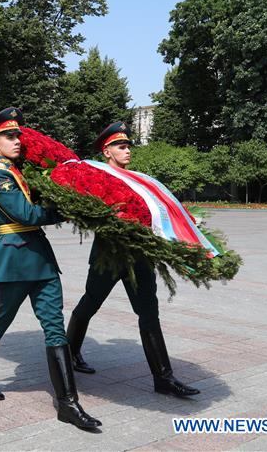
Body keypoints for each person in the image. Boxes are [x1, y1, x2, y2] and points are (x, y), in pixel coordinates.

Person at [0, 108, 100, 430]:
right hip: (15, 260)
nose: (16, 141)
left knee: (54, 326)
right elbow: (26, 215)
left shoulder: (18, 172)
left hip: (39, 258)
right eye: (8, 136)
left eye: (17, 136)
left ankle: (68, 404)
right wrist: (65, 211)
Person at [66, 122, 200, 398]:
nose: (127, 151)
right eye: (121, 146)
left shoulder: (140, 181)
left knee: (149, 312)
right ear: (107, 151)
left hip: (139, 256)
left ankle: (164, 378)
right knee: (90, 303)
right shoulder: (98, 176)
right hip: (109, 255)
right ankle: (70, 352)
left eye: (128, 146)